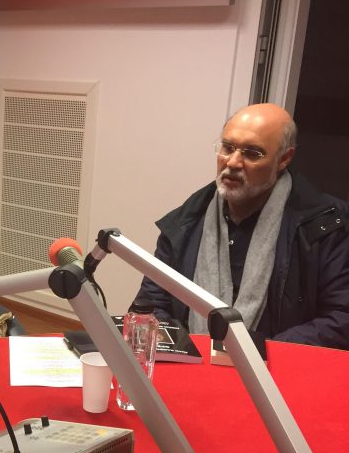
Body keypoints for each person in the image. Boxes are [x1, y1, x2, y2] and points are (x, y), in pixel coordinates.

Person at [134, 103, 349, 349]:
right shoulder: (185, 222)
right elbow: (151, 305)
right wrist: (185, 351)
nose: (233, 162)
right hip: (194, 364)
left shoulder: (326, 226)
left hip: (279, 368)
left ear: (284, 159)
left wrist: (260, 352)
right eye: (228, 147)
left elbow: (341, 319)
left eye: (252, 153)